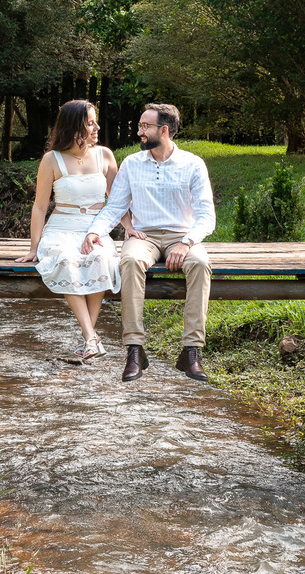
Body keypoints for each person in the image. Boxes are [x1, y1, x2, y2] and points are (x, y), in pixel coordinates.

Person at [82, 103, 215, 382]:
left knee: (201, 263)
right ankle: (134, 350)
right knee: (129, 260)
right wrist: (94, 231)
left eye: (145, 126)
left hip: (183, 236)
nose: (139, 131)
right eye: (140, 126)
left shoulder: (193, 164)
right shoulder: (132, 164)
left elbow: (206, 216)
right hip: (144, 236)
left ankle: (192, 352)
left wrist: (187, 242)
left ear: (163, 130)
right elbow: (114, 207)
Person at [16, 100, 126, 358]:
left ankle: (88, 337)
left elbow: (120, 201)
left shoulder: (105, 156)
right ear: (74, 127)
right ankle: (91, 337)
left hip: (95, 229)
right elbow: (40, 207)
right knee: (66, 259)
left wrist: (130, 228)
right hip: (61, 229)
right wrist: (34, 247)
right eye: (90, 123)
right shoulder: (51, 160)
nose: (97, 127)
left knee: (99, 257)